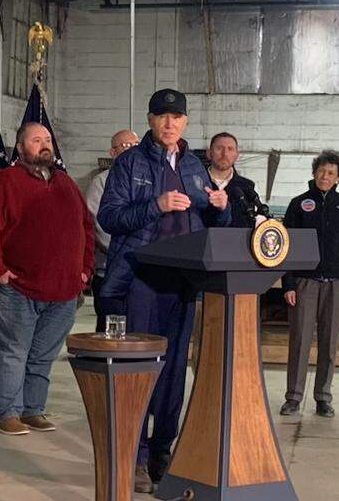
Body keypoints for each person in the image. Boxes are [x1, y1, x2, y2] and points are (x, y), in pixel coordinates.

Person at [97, 89, 229, 492]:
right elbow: (110, 217)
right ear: (150, 120)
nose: (169, 124)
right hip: (140, 280)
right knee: (139, 373)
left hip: (183, 283)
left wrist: (221, 208)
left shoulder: (194, 165)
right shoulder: (130, 163)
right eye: (162, 117)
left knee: (173, 374)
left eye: (176, 117)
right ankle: (134, 456)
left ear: (186, 123)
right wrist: (155, 205)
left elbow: (210, 228)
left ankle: (161, 454)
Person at [0, 123, 94, 436]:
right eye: (36, 139)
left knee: (43, 355)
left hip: (63, 290)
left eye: (48, 139)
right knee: (13, 353)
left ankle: (32, 410)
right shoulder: (5, 182)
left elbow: (87, 227)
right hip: (16, 289)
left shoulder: (65, 183)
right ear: (20, 147)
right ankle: (5, 413)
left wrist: (84, 270)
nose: (44, 144)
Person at [279, 150, 339, 419]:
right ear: (314, 172)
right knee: (300, 340)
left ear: (338, 178)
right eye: (321, 171)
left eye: (331, 173)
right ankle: (293, 397)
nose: (325, 176)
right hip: (304, 282)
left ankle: (323, 398)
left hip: (337, 283)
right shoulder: (298, 204)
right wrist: (288, 284)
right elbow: (286, 247)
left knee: (329, 343)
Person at [84, 129, 139, 331]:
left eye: (136, 145)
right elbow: (98, 225)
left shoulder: (148, 179)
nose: (132, 150)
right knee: (111, 332)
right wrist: (130, 250)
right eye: (126, 146)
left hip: (141, 273)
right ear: (112, 152)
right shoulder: (101, 183)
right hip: (110, 271)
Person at [206, 132, 269, 227]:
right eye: (219, 148)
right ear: (209, 153)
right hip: (202, 240)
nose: (225, 154)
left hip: (238, 241)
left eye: (230, 149)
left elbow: (259, 223)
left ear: (236, 155)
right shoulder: (196, 184)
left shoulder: (249, 187)